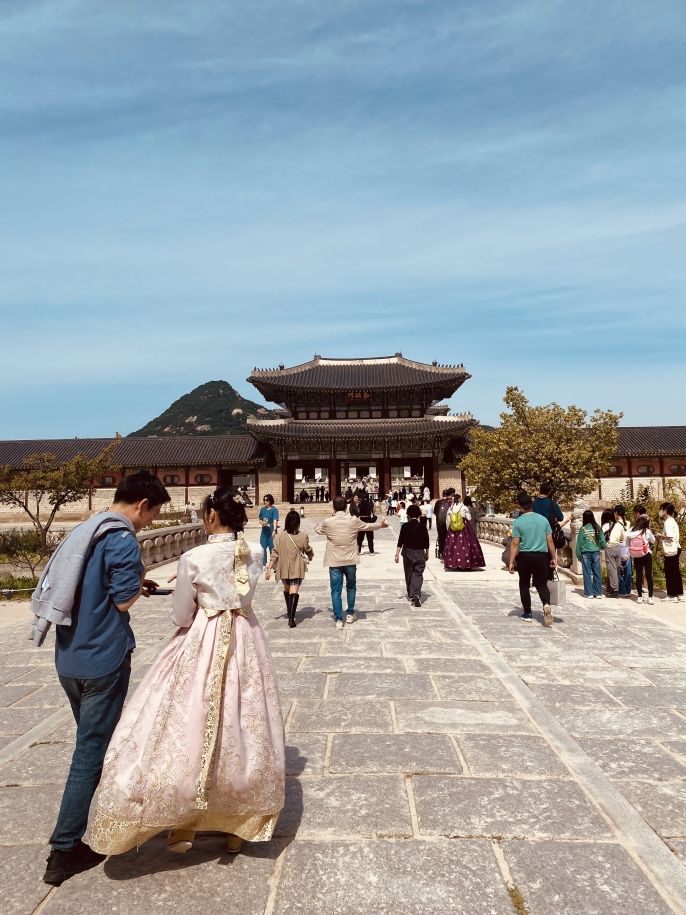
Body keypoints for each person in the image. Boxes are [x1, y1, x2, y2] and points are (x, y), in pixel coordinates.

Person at [87, 487, 285, 857]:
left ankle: (183, 822)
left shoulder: (195, 556)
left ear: (211, 516)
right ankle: (237, 825)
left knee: (187, 720)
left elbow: (180, 614)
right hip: (245, 636)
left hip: (203, 638)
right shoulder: (255, 552)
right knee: (242, 723)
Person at [40, 472, 171, 886]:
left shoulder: (87, 531)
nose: (148, 523)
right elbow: (121, 601)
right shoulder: (121, 539)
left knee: (99, 745)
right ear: (143, 505)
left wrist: (135, 582)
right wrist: (137, 583)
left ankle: (117, 813)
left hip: (69, 658)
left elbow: (88, 587)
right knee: (91, 753)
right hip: (104, 659)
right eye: (152, 514)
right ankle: (64, 849)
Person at [315, 496, 388, 629]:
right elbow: (368, 526)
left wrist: (318, 525)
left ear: (333, 508)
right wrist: (381, 525)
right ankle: (349, 613)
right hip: (350, 560)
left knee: (336, 590)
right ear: (346, 507)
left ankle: (338, 619)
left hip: (335, 561)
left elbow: (318, 529)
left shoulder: (328, 522)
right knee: (351, 587)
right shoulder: (353, 521)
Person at [509, 491, 556, 626]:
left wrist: (511, 561)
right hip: (541, 556)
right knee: (542, 584)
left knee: (524, 584)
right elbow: (550, 541)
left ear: (520, 506)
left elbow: (515, 543)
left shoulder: (518, 522)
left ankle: (527, 612)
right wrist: (553, 558)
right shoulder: (543, 520)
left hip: (525, 557)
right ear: (532, 504)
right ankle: (546, 604)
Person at [265, 508, 314, 627]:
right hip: (297, 567)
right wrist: (311, 555)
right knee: (294, 590)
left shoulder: (280, 536)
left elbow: (275, 552)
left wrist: (268, 568)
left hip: (283, 568)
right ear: (298, 522)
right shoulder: (303, 536)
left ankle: (289, 612)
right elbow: (307, 549)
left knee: (287, 589)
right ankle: (291, 618)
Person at [395, 502, 430, 606]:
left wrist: (396, 554)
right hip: (419, 552)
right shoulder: (422, 526)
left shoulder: (405, 526)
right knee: (418, 573)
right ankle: (417, 593)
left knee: (409, 573)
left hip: (407, 552)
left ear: (408, 515)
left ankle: (411, 594)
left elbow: (400, 541)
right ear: (419, 515)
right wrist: (427, 553)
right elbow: (426, 542)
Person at [444, 494, 485, 571]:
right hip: (462, 528)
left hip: (453, 529)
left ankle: (455, 563)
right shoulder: (464, 507)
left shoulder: (451, 508)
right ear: (459, 499)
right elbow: (469, 518)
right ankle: (465, 563)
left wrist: (449, 529)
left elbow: (448, 520)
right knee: (466, 545)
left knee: (453, 546)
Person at [656, 502, 684, 602]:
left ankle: (672, 595)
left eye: (662, 509)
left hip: (671, 549)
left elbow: (670, 536)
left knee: (670, 571)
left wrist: (659, 535)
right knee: (676, 571)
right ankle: (679, 593)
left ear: (666, 511)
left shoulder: (668, 522)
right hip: (676, 547)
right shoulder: (673, 521)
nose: (661, 512)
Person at [575, 510, 606, 599]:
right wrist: (601, 547)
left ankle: (589, 593)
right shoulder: (597, 527)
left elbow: (579, 543)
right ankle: (598, 592)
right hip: (595, 552)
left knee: (587, 573)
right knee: (597, 572)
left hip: (585, 553)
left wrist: (578, 555)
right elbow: (602, 540)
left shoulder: (583, 529)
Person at [626, 514, 655, 604]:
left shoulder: (631, 531)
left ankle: (639, 597)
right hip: (646, 555)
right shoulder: (647, 531)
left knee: (639, 576)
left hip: (636, 555)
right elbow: (653, 540)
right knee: (648, 575)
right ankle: (650, 597)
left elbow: (627, 543)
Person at [602, 505, 626, 598]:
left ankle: (614, 590)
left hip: (610, 547)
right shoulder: (621, 525)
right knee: (617, 568)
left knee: (612, 569)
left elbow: (603, 537)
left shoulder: (610, 525)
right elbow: (623, 538)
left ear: (616, 513)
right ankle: (615, 588)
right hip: (618, 547)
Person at [614, 504, 633, 597]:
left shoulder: (617, 525)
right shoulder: (628, 523)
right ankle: (628, 589)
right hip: (628, 549)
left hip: (620, 548)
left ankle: (622, 590)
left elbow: (618, 538)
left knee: (619, 569)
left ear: (616, 513)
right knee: (628, 570)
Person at [258, 494, 279, 564]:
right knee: (262, 547)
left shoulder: (274, 510)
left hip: (271, 531)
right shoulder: (262, 509)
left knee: (272, 548)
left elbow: (275, 520)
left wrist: (275, 530)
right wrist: (262, 523)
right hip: (264, 531)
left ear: (270, 501)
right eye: (264, 500)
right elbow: (260, 518)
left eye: (266, 500)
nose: (265, 501)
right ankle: (263, 563)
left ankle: (273, 563)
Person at [434, 488, 453, 559]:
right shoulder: (450, 502)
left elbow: (435, 513)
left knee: (441, 537)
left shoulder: (438, 502)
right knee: (448, 537)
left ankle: (442, 551)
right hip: (448, 523)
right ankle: (449, 551)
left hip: (439, 523)